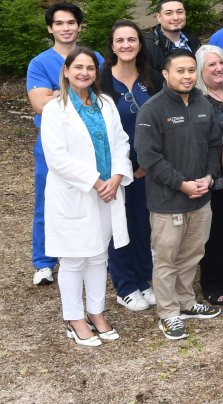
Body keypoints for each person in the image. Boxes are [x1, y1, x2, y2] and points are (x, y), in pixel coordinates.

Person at [43, 47, 131, 346]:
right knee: (73, 258)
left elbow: (121, 141)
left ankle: (96, 311)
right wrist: (96, 182)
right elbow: (56, 157)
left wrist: (117, 176)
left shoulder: (105, 103)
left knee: (98, 255)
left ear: (97, 73)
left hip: (108, 191)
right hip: (77, 193)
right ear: (66, 71)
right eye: (77, 67)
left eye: (90, 68)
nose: (84, 73)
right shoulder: (56, 109)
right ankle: (74, 317)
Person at [135, 49, 223, 340]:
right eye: (180, 71)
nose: (187, 76)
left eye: (190, 70)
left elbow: (213, 145)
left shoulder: (202, 103)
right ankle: (168, 313)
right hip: (168, 202)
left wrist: (209, 177)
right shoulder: (153, 109)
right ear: (166, 74)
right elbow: (148, 157)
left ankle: (186, 302)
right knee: (166, 258)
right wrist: (181, 183)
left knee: (192, 254)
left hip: (201, 198)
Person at [26, 2, 104, 286]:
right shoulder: (40, 62)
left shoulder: (94, 57)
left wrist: (58, 93)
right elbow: (39, 104)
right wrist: (77, 93)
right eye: (59, 23)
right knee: (48, 199)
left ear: (79, 26)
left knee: (92, 194)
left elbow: (101, 97)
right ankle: (44, 262)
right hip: (54, 141)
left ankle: (92, 250)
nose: (66, 28)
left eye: (71, 22)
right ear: (50, 28)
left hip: (92, 138)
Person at [98, 20, 163, 312]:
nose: (126, 45)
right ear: (112, 46)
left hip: (147, 167)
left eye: (132, 39)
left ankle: (144, 279)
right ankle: (125, 285)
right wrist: (124, 168)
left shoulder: (150, 79)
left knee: (141, 226)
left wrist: (148, 163)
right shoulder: (102, 82)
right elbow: (101, 131)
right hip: (115, 170)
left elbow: (162, 121)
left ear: (140, 44)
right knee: (119, 226)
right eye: (120, 40)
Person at [194, 45, 223, 306]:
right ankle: (210, 284)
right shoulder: (198, 99)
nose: (218, 68)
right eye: (211, 64)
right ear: (201, 69)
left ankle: (222, 277)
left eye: (221, 63)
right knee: (213, 232)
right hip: (214, 177)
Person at [145, 0, 202, 73]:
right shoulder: (149, 45)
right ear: (159, 17)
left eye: (179, 12)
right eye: (169, 13)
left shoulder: (192, 39)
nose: (175, 17)